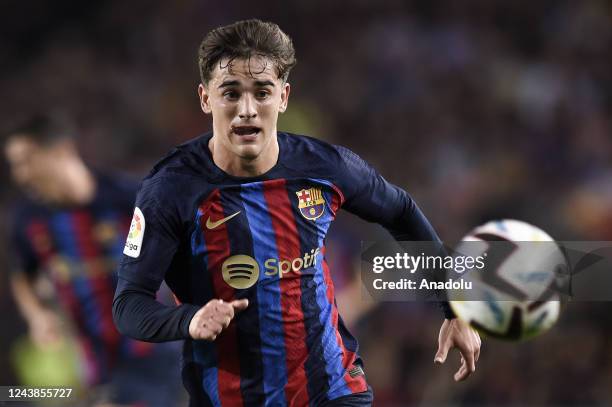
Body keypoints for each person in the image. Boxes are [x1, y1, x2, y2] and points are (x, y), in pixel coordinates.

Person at [112, 19, 481, 406]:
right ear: (206, 99)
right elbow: (129, 304)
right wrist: (188, 320)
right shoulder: (170, 189)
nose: (247, 109)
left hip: (332, 390)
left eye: (262, 92)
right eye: (231, 93)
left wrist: (452, 307)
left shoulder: (326, 167)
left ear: (283, 98)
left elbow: (402, 212)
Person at [5, 114, 184, 406]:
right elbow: (23, 274)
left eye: (27, 160)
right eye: (15, 164)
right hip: (97, 361)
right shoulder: (29, 222)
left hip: (153, 349)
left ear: (61, 151)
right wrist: (37, 316)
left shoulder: (129, 197)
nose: (20, 174)